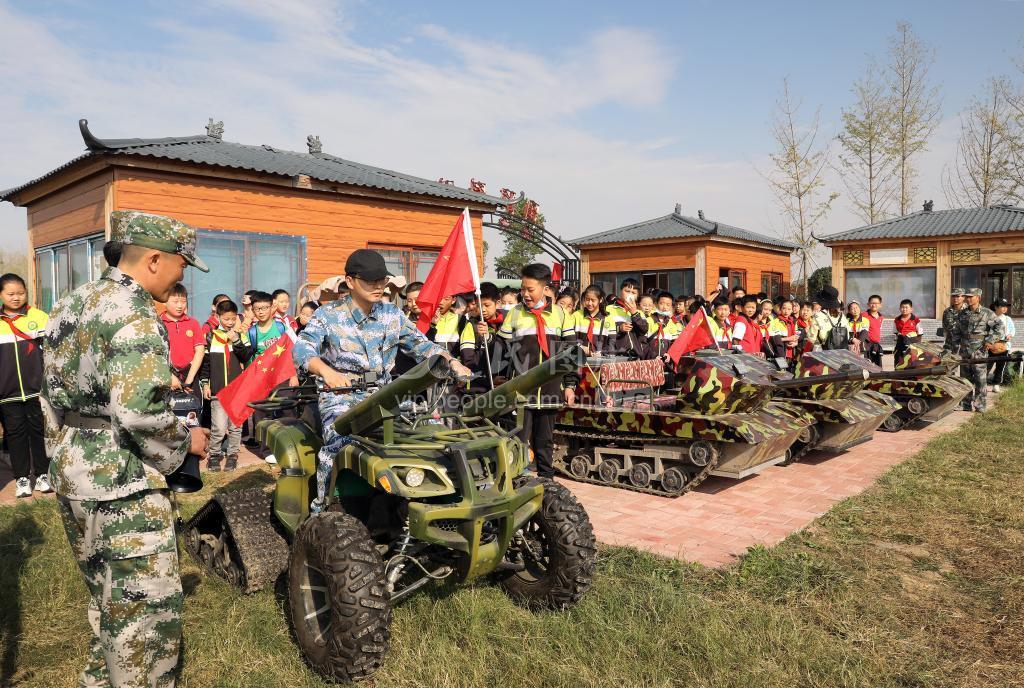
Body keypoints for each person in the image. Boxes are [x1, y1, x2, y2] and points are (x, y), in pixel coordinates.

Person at [40, 210, 210, 687]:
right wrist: (186, 444)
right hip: (123, 485)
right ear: (154, 260)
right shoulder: (133, 311)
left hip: (75, 473)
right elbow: (138, 413)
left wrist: (62, 454)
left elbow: (48, 395)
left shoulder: (71, 302)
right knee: (143, 616)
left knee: (106, 601)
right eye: (181, 265)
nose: (181, 277)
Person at [293, 249, 472, 509]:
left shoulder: (392, 314)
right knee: (338, 445)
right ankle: (323, 511)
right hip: (342, 397)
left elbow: (423, 346)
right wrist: (327, 372)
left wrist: (452, 362)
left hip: (385, 395)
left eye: (382, 280)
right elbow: (302, 349)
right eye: (370, 280)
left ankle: (429, 501)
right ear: (350, 281)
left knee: (429, 436)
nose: (378, 286)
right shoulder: (328, 315)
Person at [492, 263, 577, 478]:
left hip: (550, 389)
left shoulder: (561, 314)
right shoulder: (515, 314)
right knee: (518, 439)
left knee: (545, 439)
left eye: (530, 289)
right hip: (521, 390)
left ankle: (547, 479)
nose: (526, 294)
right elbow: (501, 349)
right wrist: (498, 374)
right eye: (523, 289)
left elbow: (570, 354)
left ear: (545, 288)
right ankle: (517, 479)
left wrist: (569, 385)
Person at [0, 273, 50, 497]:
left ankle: (42, 474)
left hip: (37, 390)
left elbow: (51, 351)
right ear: (1, 295)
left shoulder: (39, 317)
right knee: (15, 434)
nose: (16, 297)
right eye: (11, 294)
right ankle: (22, 478)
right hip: (7, 392)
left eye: (21, 293)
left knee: (39, 432)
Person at [200, 299, 253, 471]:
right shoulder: (211, 337)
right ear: (218, 317)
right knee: (219, 427)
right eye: (226, 319)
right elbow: (206, 364)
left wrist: (236, 341)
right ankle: (214, 455)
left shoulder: (241, 336)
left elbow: (247, 356)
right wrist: (205, 384)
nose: (230, 322)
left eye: (232, 319)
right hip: (218, 390)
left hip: (237, 390)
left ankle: (233, 455)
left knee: (236, 426)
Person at [944, 288, 1005, 413]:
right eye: (967, 296)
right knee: (965, 379)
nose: (968, 299)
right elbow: (956, 332)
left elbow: (1000, 326)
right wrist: (952, 349)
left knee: (980, 379)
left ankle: (980, 405)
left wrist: (990, 340)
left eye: (971, 297)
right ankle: (965, 404)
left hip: (980, 350)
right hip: (964, 351)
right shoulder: (963, 313)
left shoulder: (987, 313)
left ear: (978, 298)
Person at [160, 283, 205, 392]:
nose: (180, 306)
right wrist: (169, 375)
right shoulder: (158, 323)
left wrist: (189, 380)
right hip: (166, 376)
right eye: (175, 302)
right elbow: (154, 353)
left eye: (183, 301)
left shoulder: (193, 323)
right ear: (165, 301)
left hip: (190, 375)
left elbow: (200, 351)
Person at [458, 283, 502, 383]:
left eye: (487, 305)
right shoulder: (472, 326)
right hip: (479, 386)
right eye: (479, 305)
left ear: (498, 303)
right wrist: (489, 380)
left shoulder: (506, 323)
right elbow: (468, 361)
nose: (483, 310)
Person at [605, 278, 648, 357]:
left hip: (635, 355)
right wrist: (619, 328)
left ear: (637, 296)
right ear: (620, 291)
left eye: (633, 293)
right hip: (617, 355)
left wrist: (634, 313)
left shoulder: (639, 312)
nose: (630, 295)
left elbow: (644, 330)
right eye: (627, 291)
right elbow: (604, 331)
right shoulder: (609, 309)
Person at [572, 284, 610, 355]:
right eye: (587, 299)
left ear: (600, 300)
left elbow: (611, 343)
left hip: (600, 359)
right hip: (579, 358)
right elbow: (570, 339)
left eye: (593, 300)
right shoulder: (576, 315)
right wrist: (580, 348)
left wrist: (602, 353)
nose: (589, 303)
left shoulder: (608, 319)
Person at [987, 298, 1014, 391]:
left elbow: (1012, 330)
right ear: (996, 307)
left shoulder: (1007, 319)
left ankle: (996, 384)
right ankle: (981, 383)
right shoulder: (989, 317)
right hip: (990, 346)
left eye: (1006, 306)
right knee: (986, 365)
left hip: (1003, 346)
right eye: (1002, 306)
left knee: (1000, 366)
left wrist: (1010, 335)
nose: (1005, 308)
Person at [767, 298, 799, 365]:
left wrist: (795, 343)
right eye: (784, 308)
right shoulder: (775, 322)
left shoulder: (793, 321)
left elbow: (796, 335)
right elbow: (772, 339)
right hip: (780, 353)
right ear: (780, 309)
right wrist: (788, 339)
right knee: (781, 370)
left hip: (792, 353)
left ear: (792, 310)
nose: (786, 311)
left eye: (789, 309)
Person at [864, 294, 884, 366]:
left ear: (880, 305)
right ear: (868, 304)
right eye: (872, 303)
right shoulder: (864, 315)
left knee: (878, 366)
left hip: (876, 345)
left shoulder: (881, 317)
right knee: (867, 365)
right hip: (867, 345)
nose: (874, 305)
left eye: (876, 303)